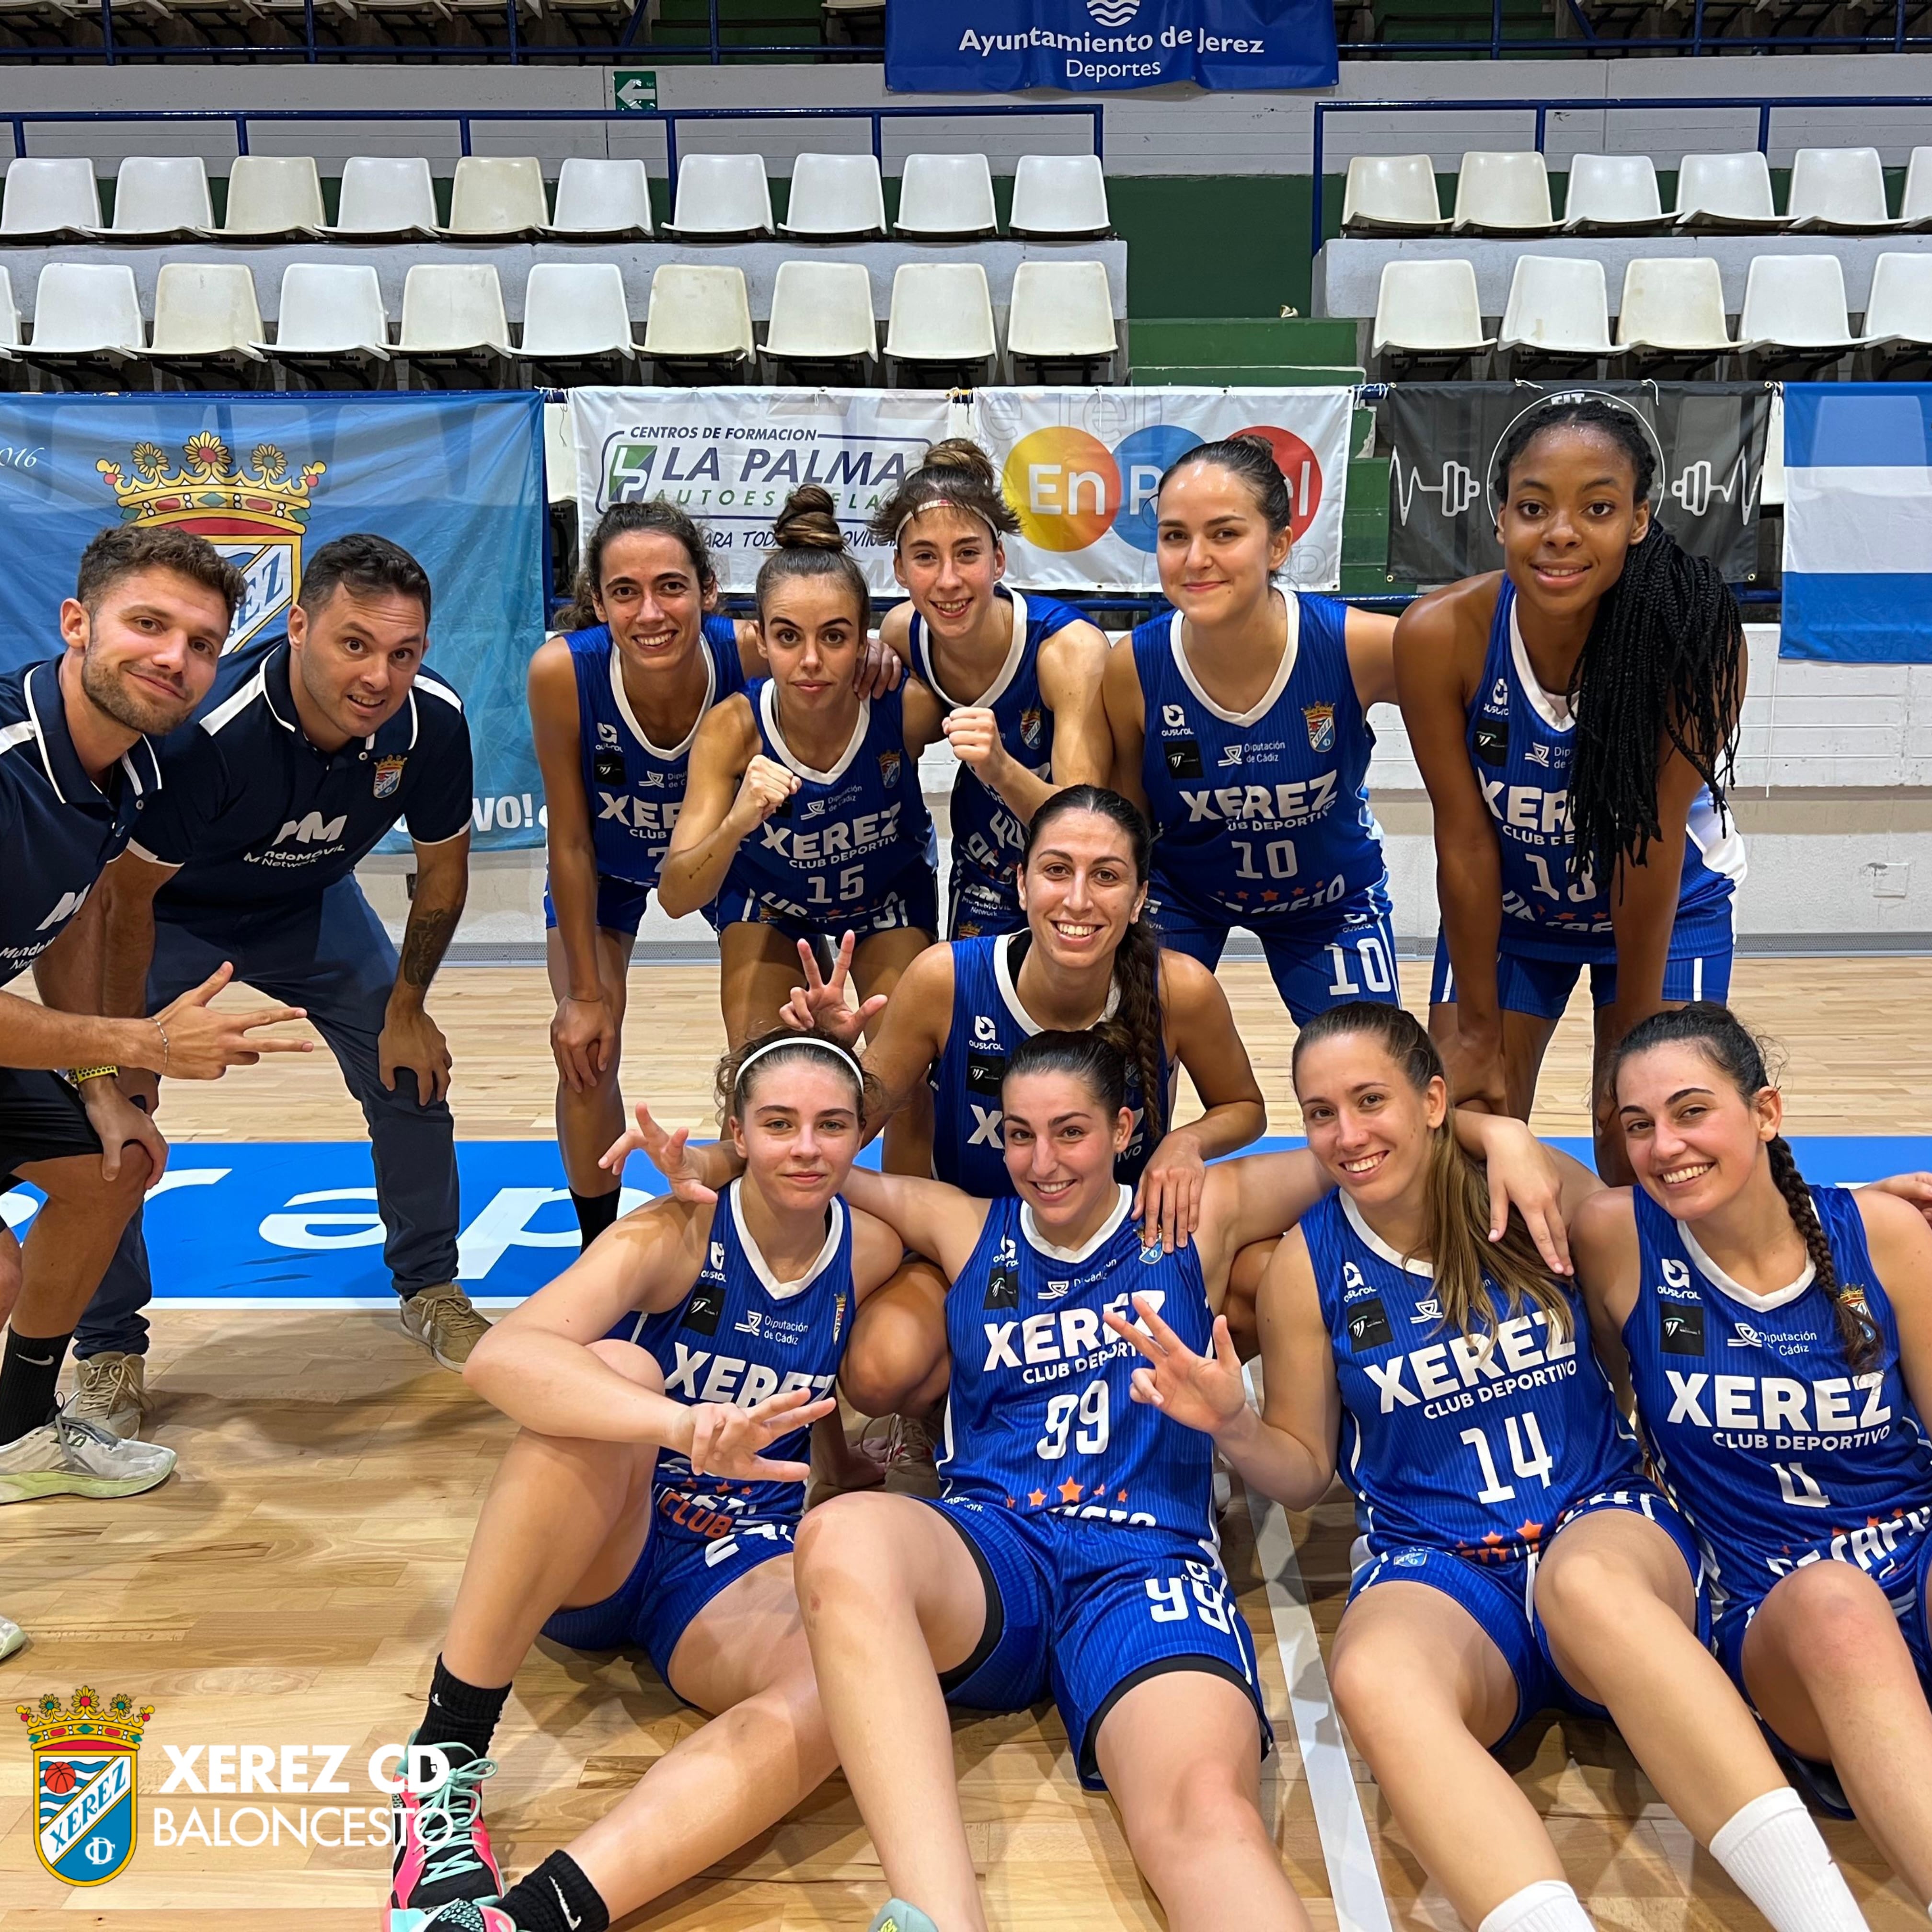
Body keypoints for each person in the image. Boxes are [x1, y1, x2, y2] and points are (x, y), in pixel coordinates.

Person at [621, 1030, 1563, 1932]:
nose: (1044, 1162)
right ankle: (935, 1918)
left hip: (1145, 1562)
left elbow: (1355, 1148)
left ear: (1122, 1131)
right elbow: (816, 1171)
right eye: (1020, 1136)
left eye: (1071, 1131)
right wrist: (711, 1164)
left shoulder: (1196, 1217)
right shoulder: (968, 1224)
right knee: (847, 1531)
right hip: (995, 1552)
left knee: (1206, 1816)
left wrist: (1499, 1131)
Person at [1110, 1000, 1873, 1932]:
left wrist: (1861, 1215)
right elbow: (1306, 1472)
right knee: (1373, 1677)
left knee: (1588, 1584)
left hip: (1596, 1514)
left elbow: (1690, 1251)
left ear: (1433, 1100)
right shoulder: (1307, 1271)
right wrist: (1233, 1423)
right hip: (1440, 1563)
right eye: (1321, 1112)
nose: (1347, 1134)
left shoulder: (1527, 1184)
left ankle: (1822, 1918)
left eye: (1369, 1101)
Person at [384, 1028, 908, 1932]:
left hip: (728, 1570)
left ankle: (543, 1915)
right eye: (778, 1123)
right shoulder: (674, 1231)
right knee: (622, 1371)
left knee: (843, 1689)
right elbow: (501, 1360)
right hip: (605, 1531)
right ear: (736, 1134)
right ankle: (441, 1764)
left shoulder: (869, 1252)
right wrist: (679, 1423)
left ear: (861, 1134)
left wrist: (855, 1461)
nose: (806, 1147)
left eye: (830, 1124)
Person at [81, 534, 482, 1436]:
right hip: (172, 914)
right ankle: (108, 1346)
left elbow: (444, 878)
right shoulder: (207, 735)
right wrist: (122, 1050)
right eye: (354, 644)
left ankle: (432, 1287)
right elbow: (125, 897)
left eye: (404, 652)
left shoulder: (434, 722)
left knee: (409, 1070)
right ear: (298, 626)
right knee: (104, 1110)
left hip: (309, 902)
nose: (381, 676)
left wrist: (410, 1010)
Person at [0, 527, 313, 1624]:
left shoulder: (127, 762)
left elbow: (79, 913)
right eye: (148, 625)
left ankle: (21, 1428)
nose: (175, 658)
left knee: (112, 1163)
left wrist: (98, 1076)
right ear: (76, 623)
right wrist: (138, 1047)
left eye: (202, 642)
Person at [776, 784, 1268, 1468]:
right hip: (978, 1241)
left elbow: (1245, 1108)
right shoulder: (947, 979)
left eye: (1106, 877)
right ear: (1022, 880)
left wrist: (1187, 1140)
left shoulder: (1178, 988)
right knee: (879, 1371)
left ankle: (1158, 1409)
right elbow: (849, 1126)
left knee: (1266, 1279)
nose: (1077, 900)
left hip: (1121, 1251)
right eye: (1057, 870)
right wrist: (832, 1059)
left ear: (1138, 897)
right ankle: (959, 1408)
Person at [1572, 1002, 1932, 1906]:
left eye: (1693, 1111)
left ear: (1764, 1112)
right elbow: (1425, 1142)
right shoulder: (1617, 1237)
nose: (1665, 1145)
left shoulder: (1883, 1238)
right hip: (1785, 1624)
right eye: (1637, 1124)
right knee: (1835, 1602)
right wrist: (1495, 1131)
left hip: (1915, 1565)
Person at [534, 500, 902, 1252]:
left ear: (706, 589)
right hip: (608, 866)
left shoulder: (754, 651)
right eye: (625, 592)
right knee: (586, 1051)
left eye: (670, 587)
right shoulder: (562, 673)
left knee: (770, 1059)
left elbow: (824, 656)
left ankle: (786, 1224)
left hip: (727, 862)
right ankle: (596, 1247)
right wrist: (582, 994)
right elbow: (569, 841)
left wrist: (874, 654)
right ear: (597, 603)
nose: (650, 612)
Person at [1395, 393, 1747, 1173]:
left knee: (1647, 1134)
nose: (1559, 531)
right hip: (1511, 912)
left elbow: (1646, 848)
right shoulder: (1437, 634)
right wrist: (1478, 1028)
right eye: (1532, 506)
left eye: (1596, 507)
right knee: (1463, 1133)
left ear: (1637, 519)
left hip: (1666, 906)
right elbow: (1461, 832)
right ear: (1498, 520)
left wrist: (1635, 1039)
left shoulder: (1693, 637)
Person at [659, 485, 942, 1167]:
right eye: (788, 637)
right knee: (764, 1081)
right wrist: (738, 820)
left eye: (835, 637)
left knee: (908, 1078)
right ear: (760, 638)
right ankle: (768, 1226)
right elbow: (675, 895)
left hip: (885, 898)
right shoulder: (733, 727)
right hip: (772, 904)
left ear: (863, 640)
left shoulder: (906, 708)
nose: (811, 661)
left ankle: (908, 1240)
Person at [1103, 435, 1401, 1022]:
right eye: (1174, 537)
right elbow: (1126, 825)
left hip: (1331, 898)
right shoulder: (1134, 667)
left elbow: (1473, 684)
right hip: (1185, 895)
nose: (1195, 559)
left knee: (1368, 1074)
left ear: (1279, 546)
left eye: (1225, 533)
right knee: (1126, 1064)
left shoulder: (1358, 645)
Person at [871, 438, 1111, 938]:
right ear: (899, 570)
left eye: (967, 554)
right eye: (925, 557)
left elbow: (1081, 827)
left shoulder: (1068, 650)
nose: (948, 580)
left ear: (998, 561)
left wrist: (999, 767)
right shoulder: (901, 635)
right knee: (973, 1009)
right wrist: (869, 656)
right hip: (987, 863)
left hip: (1079, 876)